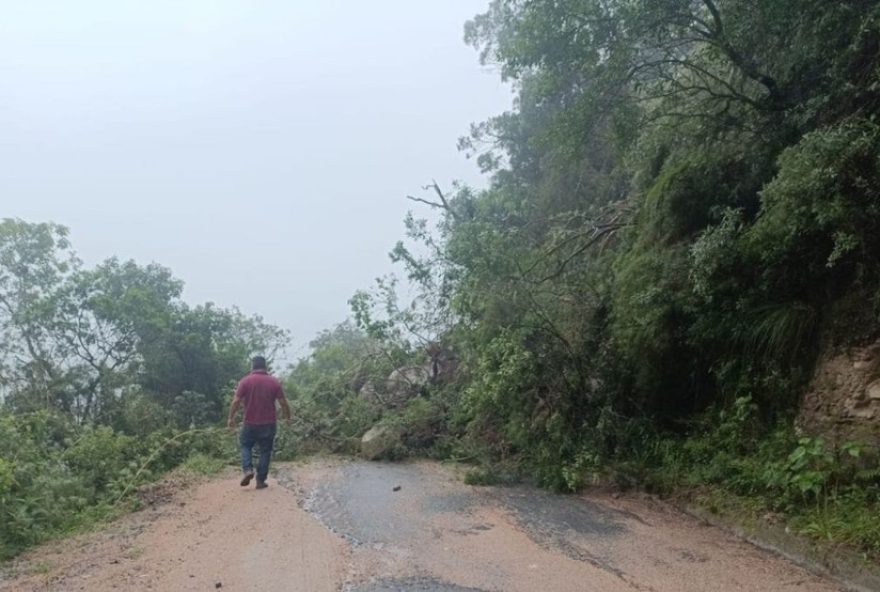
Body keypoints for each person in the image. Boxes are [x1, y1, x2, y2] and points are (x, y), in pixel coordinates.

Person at [227, 356, 291, 489]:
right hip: (269, 423)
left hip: (249, 422)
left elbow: (236, 401)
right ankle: (260, 481)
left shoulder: (245, 381)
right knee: (265, 450)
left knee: (245, 445)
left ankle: (248, 469)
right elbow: (283, 403)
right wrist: (287, 418)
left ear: (252, 367)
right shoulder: (274, 382)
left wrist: (230, 418)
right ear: (265, 366)